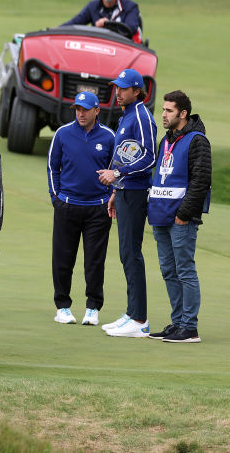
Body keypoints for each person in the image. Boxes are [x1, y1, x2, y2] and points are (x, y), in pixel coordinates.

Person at [47, 92, 117, 327]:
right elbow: (52, 167)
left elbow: (115, 170)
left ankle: (93, 307)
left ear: (97, 111)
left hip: (98, 209)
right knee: (63, 259)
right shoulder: (63, 133)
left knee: (94, 262)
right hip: (67, 205)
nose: (81, 113)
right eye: (78, 108)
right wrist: (56, 197)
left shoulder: (109, 137)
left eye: (86, 109)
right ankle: (63, 307)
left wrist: (109, 196)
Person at [96, 68, 157, 337]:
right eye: (116, 88)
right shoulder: (127, 115)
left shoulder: (142, 116)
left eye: (123, 88)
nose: (117, 93)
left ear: (136, 91)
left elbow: (149, 156)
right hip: (123, 191)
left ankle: (140, 320)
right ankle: (132, 313)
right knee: (125, 253)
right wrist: (115, 190)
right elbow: (125, 154)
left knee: (131, 253)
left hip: (135, 191)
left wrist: (117, 175)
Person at [146, 91, 210, 343]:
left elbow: (201, 180)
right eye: (162, 109)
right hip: (161, 215)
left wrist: (184, 214)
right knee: (169, 271)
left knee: (184, 270)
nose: (163, 114)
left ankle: (189, 327)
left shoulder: (197, 140)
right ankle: (177, 323)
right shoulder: (167, 139)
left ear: (183, 114)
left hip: (180, 219)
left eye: (169, 110)